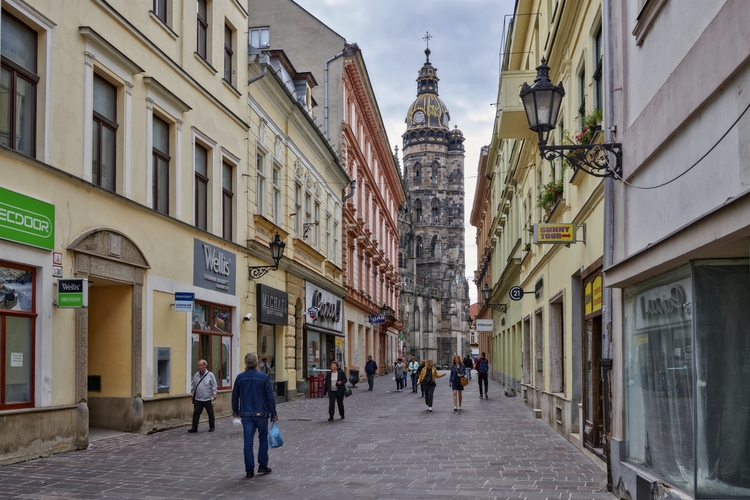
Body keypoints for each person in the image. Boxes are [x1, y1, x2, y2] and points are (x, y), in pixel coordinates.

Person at [232, 352, 278, 479]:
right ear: (256, 363)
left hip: (246, 414)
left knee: (248, 442)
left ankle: (249, 470)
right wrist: (273, 413)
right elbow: (270, 397)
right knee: (263, 438)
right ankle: (262, 465)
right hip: (262, 413)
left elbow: (235, 396)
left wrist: (235, 411)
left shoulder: (240, 377)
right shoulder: (263, 377)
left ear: (246, 363)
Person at [188, 359, 217, 433]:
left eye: (201, 365)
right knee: (196, 413)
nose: (199, 367)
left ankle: (212, 427)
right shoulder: (196, 375)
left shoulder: (210, 375)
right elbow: (194, 386)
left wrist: (214, 393)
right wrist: (193, 395)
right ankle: (194, 428)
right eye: (199, 365)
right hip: (198, 398)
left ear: (205, 366)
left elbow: (214, 385)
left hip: (207, 398)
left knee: (210, 413)